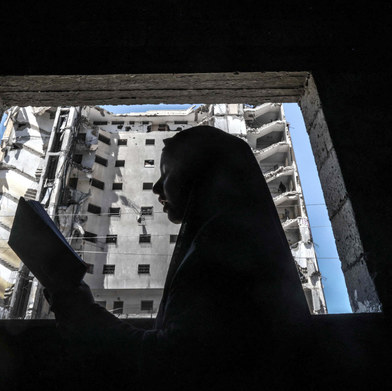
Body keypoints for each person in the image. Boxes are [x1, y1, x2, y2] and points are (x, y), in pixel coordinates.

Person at [42, 126, 310, 389]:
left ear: (200, 174)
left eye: (166, 172)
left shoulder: (221, 250)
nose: (157, 188)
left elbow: (170, 364)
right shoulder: (235, 240)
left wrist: (82, 313)